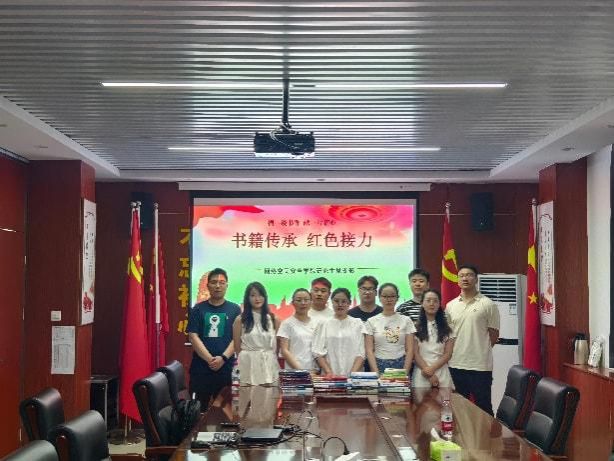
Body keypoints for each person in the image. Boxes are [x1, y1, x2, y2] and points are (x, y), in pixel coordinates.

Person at [446, 265, 500, 415]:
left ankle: (487, 432)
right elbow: (448, 336)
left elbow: (493, 335)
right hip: (456, 364)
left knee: (483, 407)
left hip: (480, 366)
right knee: (458, 408)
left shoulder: (488, 304)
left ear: (476, 279)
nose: (465, 278)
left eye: (469, 275)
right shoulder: (450, 306)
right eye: (461, 275)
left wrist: (479, 349)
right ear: (458, 280)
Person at [187, 268, 241, 409]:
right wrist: (210, 359)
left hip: (226, 368)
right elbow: (193, 336)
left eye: (222, 282)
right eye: (214, 282)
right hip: (201, 368)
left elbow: (237, 337)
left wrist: (222, 358)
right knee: (198, 410)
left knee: (225, 411)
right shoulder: (198, 309)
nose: (218, 286)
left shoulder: (235, 309)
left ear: (227, 285)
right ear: (208, 285)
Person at [233, 282, 279, 385]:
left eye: (260, 295)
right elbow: (237, 347)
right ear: (247, 298)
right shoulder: (240, 320)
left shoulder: (273, 319)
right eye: (253, 295)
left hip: (268, 363)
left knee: (269, 393)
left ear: (265, 297)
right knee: (248, 393)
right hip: (247, 363)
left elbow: (277, 347)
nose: (257, 299)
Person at [312, 287, 366, 376]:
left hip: (353, 376)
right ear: (332, 302)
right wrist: (329, 373)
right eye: (336, 301)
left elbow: (361, 353)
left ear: (349, 303)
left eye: (344, 301)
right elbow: (318, 352)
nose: (340, 304)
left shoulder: (357, 324)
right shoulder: (323, 323)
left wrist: (352, 375)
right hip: (329, 376)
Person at [365, 282, 416, 375]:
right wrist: (376, 373)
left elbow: (410, 350)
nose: (389, 299)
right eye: (385, 296)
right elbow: (369, 350)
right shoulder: (371, 321)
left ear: (397, 298)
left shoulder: (406, 320)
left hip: (401, 363)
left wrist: (404, 373)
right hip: (379, 364)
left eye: (392, 296)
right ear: (379, 298)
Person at [413, 289, 454, 388]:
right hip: (421, 372)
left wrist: (431, 369)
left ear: (439, 304)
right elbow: (415, 354)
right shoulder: (414, 327)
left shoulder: (448, 328)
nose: (432, 304)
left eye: (435, 301)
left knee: (444, 398)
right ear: (422, 303)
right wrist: (428, 373)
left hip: (442, 372)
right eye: (428, 300)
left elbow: (448, 354)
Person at [277, 288, 319, 371]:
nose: (303, 303)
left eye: (306, 300)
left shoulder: (316, 323)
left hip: (314, 371)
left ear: (311, 302)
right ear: (293, 303)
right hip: (294, 371)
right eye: (299, 300)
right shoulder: (287, 323)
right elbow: (284, 350)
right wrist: (301, 371)